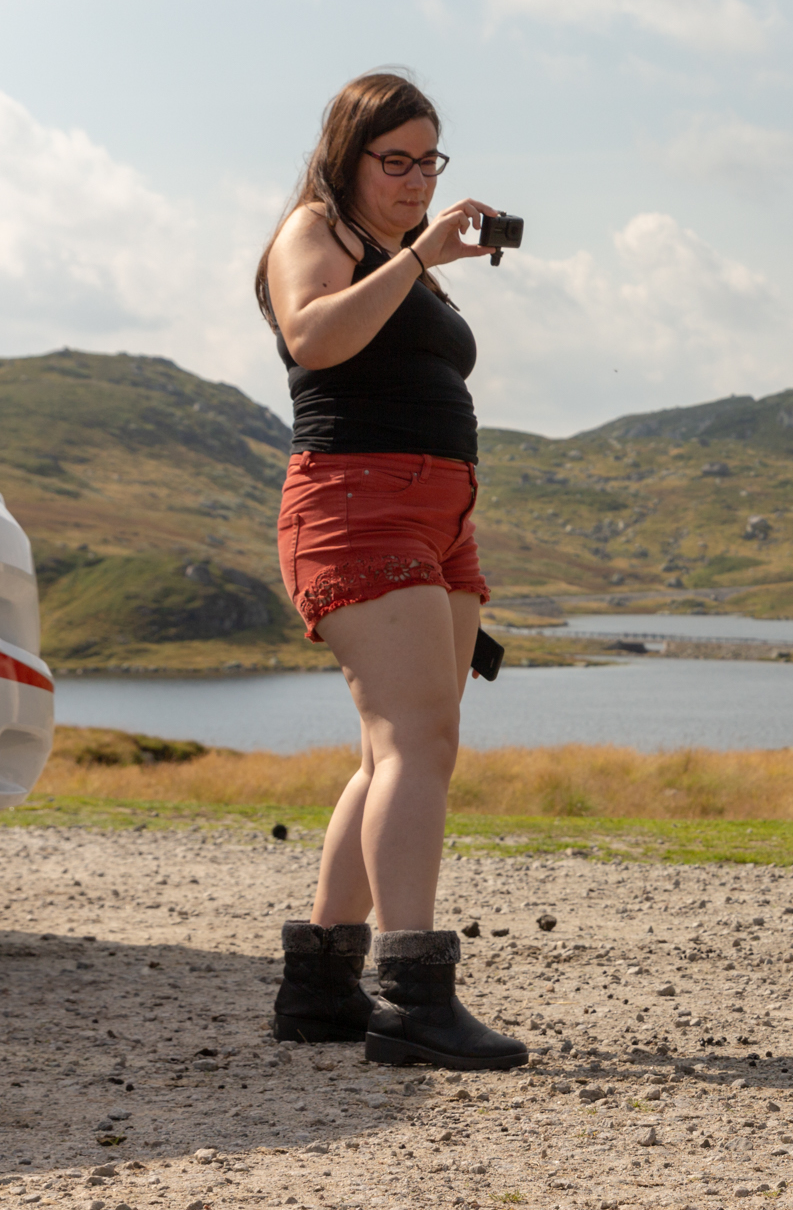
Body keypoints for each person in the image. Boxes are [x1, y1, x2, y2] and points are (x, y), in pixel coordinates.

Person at [256, 70, 526, 1070]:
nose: (415, 181)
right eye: (395, 161)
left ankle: (320, 988)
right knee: (419, 740)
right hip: (354, 503)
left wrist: (423, 259)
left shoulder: (398, 255)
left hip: (437, 513)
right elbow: (314, 339)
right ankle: (413, 994)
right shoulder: (311, 234)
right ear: (347, 154)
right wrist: (417, 255)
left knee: (392, 753)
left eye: (428, 162)